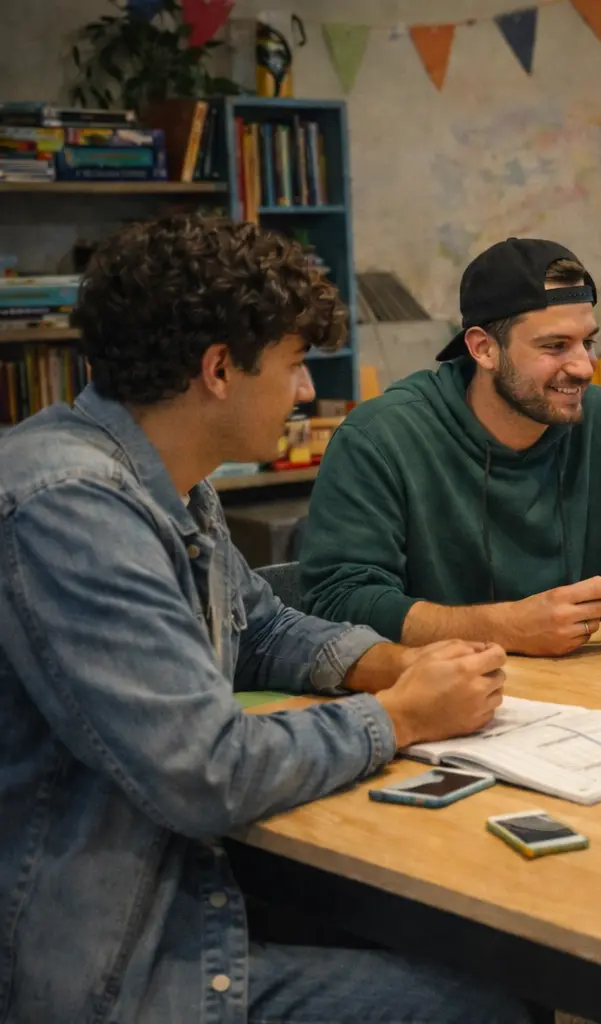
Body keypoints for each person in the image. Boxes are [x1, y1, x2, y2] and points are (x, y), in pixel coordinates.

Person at [0, 215, 529, 1021]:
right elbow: (205, 771)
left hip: (175, 910)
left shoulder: (168, 480)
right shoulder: (71, 507)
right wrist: (398, 717)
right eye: (293, 366)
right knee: (486, 1005)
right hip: (105, 975)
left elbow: (265, 627)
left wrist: (398, 664)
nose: (306, 391)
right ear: (218, 369)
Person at [300, 238, 601, 656]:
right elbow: (339, 601)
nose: (584, 366)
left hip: (583, 699)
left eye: (589, 341)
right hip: (436, 700)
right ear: (484, 349)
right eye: (555, 346)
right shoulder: (380, 438)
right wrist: (506, 627)